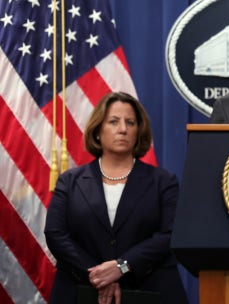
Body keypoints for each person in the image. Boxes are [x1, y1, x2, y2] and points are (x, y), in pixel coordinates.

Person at [44, 92, 188, 304]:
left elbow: (170, 235)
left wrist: (122, 266)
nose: (123, 129)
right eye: (113, 122)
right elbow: (56, 234)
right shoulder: (70, 181)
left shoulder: (163, 181)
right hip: (80, 288)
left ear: (139, 131)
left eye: (130, 122)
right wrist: (100, 275)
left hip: (150, 289)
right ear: (98, 131)